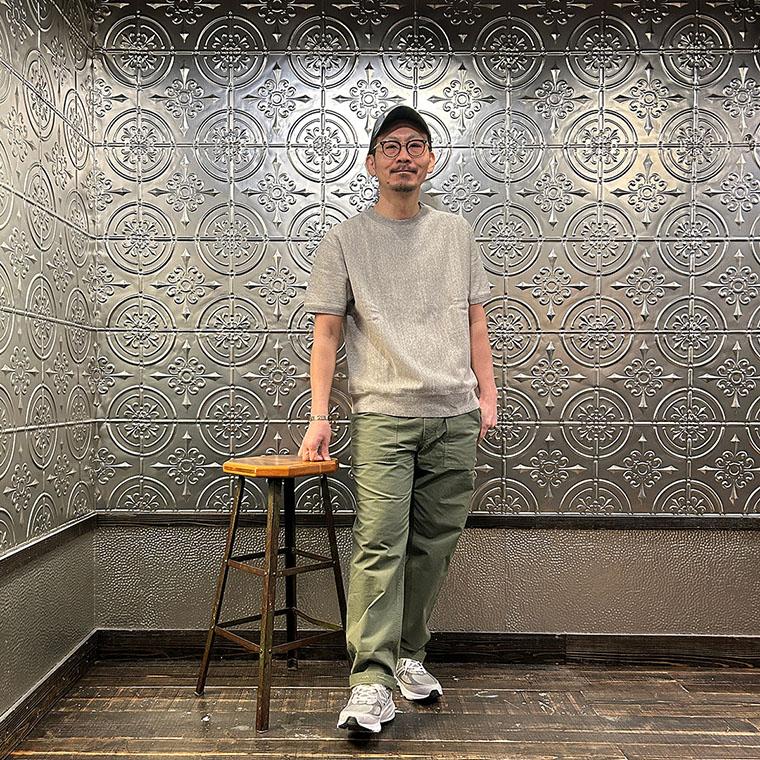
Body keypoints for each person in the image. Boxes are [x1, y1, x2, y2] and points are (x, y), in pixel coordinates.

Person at [299, 105, 497, 734]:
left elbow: (475, 319)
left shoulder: (457, 233)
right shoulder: (344, 239)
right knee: (380, 543)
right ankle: (370, 682)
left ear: (430, 160)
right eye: (391, 146)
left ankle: (409, 654)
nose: (403, 156)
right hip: (382, 414)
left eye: (415, 145)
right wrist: (319, 416)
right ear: (371, 163)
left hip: (454, 414)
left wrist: (488, 395)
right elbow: (326, 334)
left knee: (434, 545)